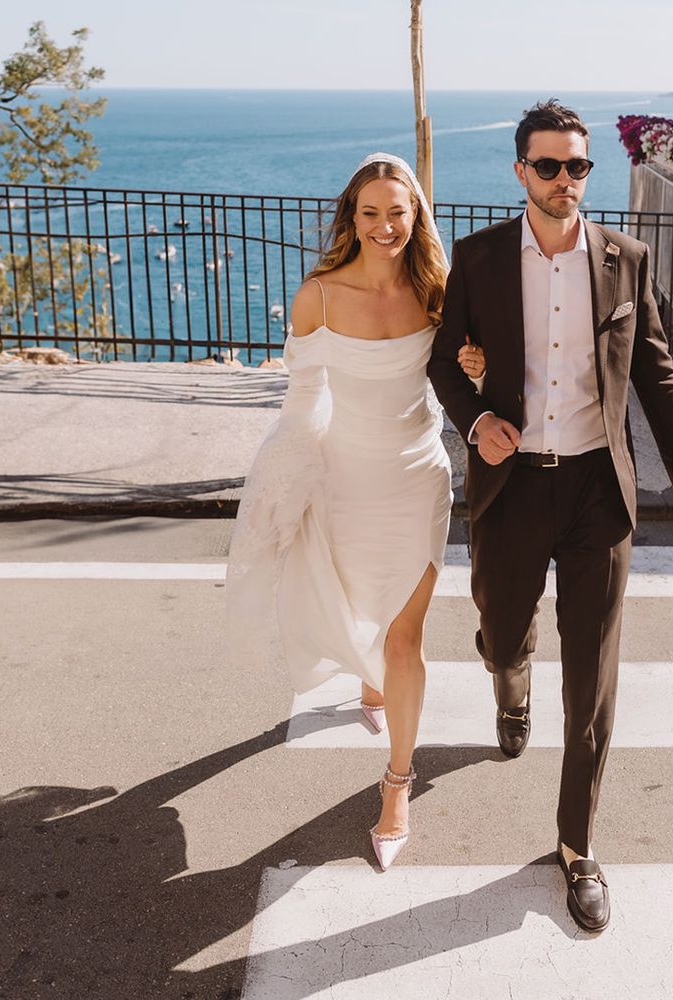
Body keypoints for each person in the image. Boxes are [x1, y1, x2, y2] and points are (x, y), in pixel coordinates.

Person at [428, 101, 673, 931]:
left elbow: (654, 371)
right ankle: (508, 682)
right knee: (502, 627)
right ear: (520, 171)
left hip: (597, 491)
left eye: (576, 166)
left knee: (591, 679)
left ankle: (577, 846)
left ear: (588, 172)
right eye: (547, 166)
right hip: (512, 490)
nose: (563, 180)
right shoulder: (478, 260)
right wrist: (477, 423)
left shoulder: (625, 259)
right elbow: (446, 363)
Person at [227, 153, 480, 871]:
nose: (384, 226)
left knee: (405, 635)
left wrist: (476, 369)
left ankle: (396, 784)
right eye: (370, 213)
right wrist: (282, 484)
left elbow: (465, 370)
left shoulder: (438, 290)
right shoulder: (319, 298)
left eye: (397, 212)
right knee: (357, 599)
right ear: (352, 217)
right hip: (342, 479)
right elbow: (302, 402)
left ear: (416, 215)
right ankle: (370, 681)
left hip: (416, 479)